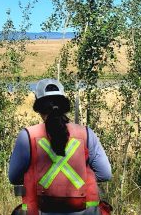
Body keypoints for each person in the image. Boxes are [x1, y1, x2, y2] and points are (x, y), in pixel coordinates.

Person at [8, 79, 112, 215]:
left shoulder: (27, 136)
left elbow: (13, 177)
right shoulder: (86, 133)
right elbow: (105, 174)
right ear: (64, 105)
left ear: (38, 107)